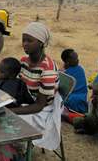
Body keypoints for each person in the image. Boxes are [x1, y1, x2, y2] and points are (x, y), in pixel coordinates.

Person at [10, 22, 61, 151]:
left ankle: (16, 154)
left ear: (40, 43)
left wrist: (11, 111)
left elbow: (39, 105)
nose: (25, 44)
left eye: (29, 40)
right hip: (28, 102)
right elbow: (19, 88)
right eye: (23, 40)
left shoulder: (48, 69)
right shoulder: (23, 61)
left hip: (42, 111)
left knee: (8, 124)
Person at [61, 48, 88, 114]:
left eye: (77, 58)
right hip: (67, 96)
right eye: (75, 59)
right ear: (67, 61)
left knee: (74, 100)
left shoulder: (80, 69)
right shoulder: (63, 73)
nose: (78, 60)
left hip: (80, 96)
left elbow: (82, 88)